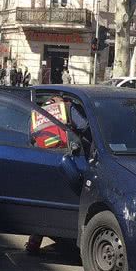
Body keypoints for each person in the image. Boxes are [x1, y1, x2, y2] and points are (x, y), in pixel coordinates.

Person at [25, 95, 91, 254]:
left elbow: (30, 139)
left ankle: (34, 242)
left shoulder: (36, 113)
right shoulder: (67, 108)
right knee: (78, 198)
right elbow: (85, 128)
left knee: (45, 201)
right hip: (65, 159)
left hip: (43, 160)